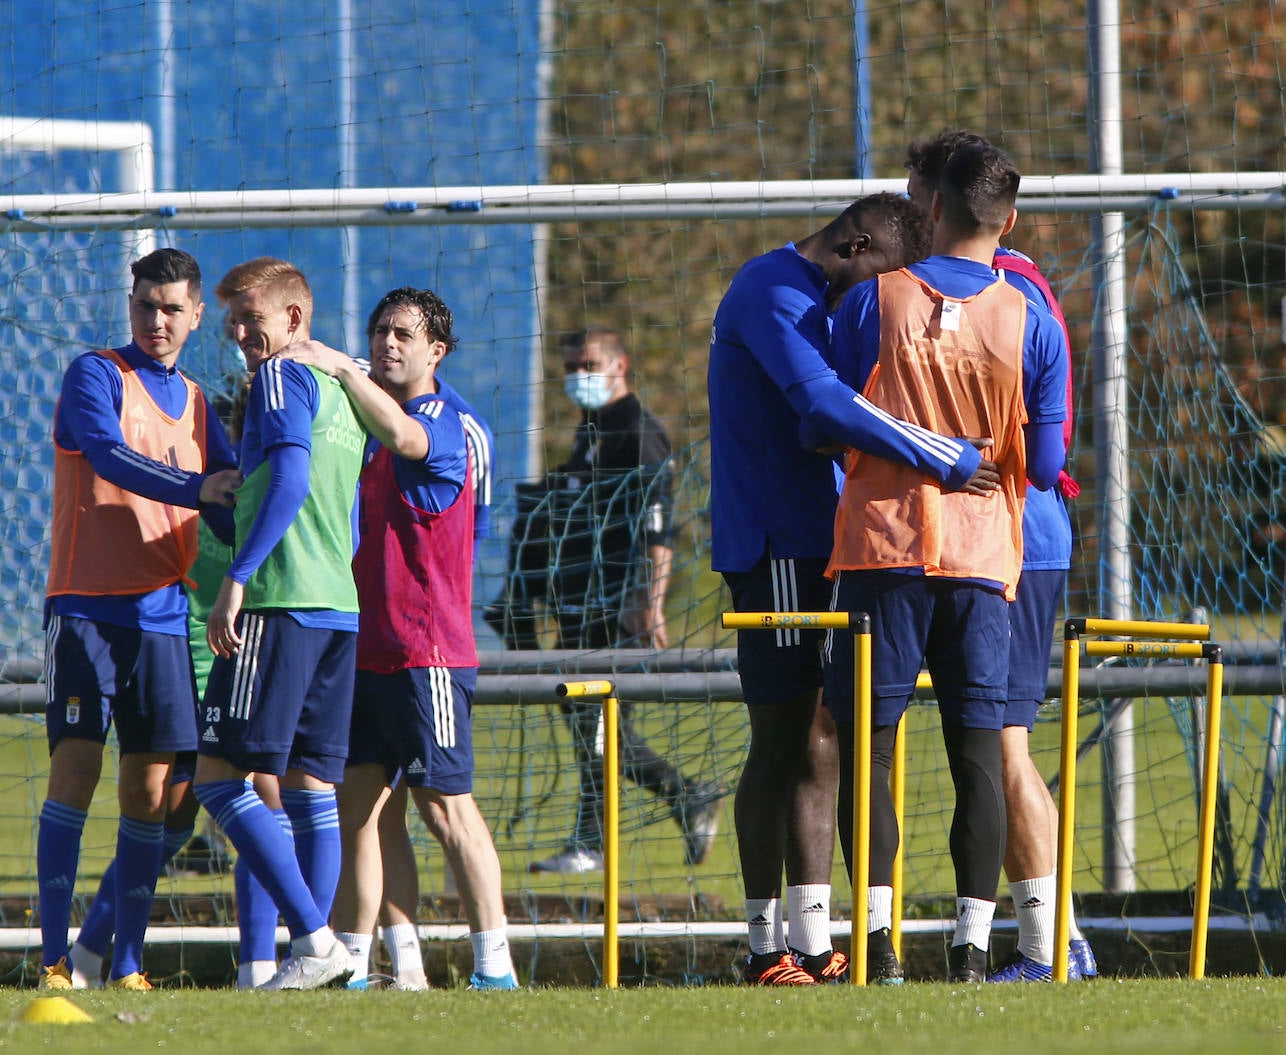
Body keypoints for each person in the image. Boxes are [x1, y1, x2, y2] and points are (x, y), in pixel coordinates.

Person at [708, 192, 1000, 986]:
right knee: (777, 739)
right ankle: (763, 945)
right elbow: (826, 404)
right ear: (858, 242)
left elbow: (828, 421)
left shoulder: (822, 300)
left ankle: (813, 940)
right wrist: (949, 455)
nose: (881, 293)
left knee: (824, 734)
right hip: (772, 544)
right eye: (881, 274)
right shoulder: (773, 289)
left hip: (826, 545)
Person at [824, 145, 1068, 983]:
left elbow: (826, 417)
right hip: (981, 558)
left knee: (873, 749)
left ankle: (881, 946)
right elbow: (1045, 464)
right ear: (1009, 223)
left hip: (882, 551)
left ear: (932, 212)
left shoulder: (872, 300)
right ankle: (972, 947)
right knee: (976, 750)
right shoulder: (1029, 315)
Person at [279, 287, 518, 991]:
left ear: (435, 351)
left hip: (429, 653)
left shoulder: (444, 419)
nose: (387, 342)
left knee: (444, 805)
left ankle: (493, 966)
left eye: (403, 333)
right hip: (366, 647)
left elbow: (410, 439)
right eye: (380, 329)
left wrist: (342, 367)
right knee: (360, 806)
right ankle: (378, 961)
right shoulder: (371, 419)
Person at [903, 129, 1097, 983]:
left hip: (1012, 536)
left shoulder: (1004, 289)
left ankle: (1054, 943)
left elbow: (1044, 452)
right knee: (997, 740)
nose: (912, 214)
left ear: (940, 203)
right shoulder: (982, 282)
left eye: (917, 199)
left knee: (1004, 742)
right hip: (988, 535)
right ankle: (1054, 935)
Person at [36, 247, 241, 992]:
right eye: (146, 305)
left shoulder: (195, 401)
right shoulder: (95, 374)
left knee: (155, 791)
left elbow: (228, 501)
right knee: (77, 770)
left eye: (172, 308)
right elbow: (109, 456)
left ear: (194, 316)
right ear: (131, 306)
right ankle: (55, 960)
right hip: (87, 606)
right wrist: (200, 486)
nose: (157, 320)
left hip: (162, 618)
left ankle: (126, 964)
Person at [191, 256, 369, 991]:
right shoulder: (342, 387)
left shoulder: (277, 378)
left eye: (250, 317)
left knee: (218, 778)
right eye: (232, 317)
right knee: (310, 789)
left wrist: (238, 576)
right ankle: (315, 960)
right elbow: (350, 516)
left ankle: (316, 939)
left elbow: (292, 477)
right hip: (337, 604)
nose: (237, 331)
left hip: (278, 599)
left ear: (294, 319)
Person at [493, 327, 725, 875]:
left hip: (617, 601)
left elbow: (657, 525)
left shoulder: (638, 432)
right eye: (571, 366)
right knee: (588, 721)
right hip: (581, 600)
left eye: (589, 365)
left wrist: (651, 601)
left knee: (597, 722)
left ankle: (666, 803)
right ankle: (616, 825)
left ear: (620, 365)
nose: (578, 377)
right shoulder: (591, 428)